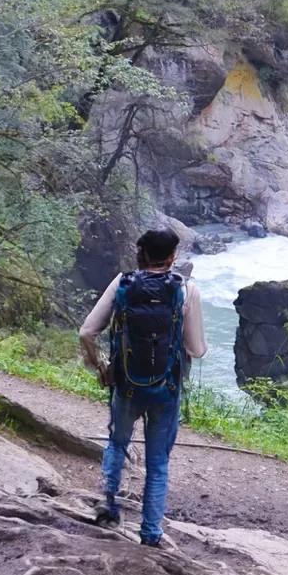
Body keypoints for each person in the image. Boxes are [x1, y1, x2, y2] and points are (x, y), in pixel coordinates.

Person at [79, 228, 206, 547]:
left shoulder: (122, 283)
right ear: (172, 257)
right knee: (158, 462)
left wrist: (103, 367)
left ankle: (109, 509)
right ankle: (150, 533)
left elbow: (87, 332)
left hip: (127, 385)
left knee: (117, 443)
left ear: (142, 253)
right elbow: (197, 349)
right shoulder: (186, 288)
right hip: (167, 390)